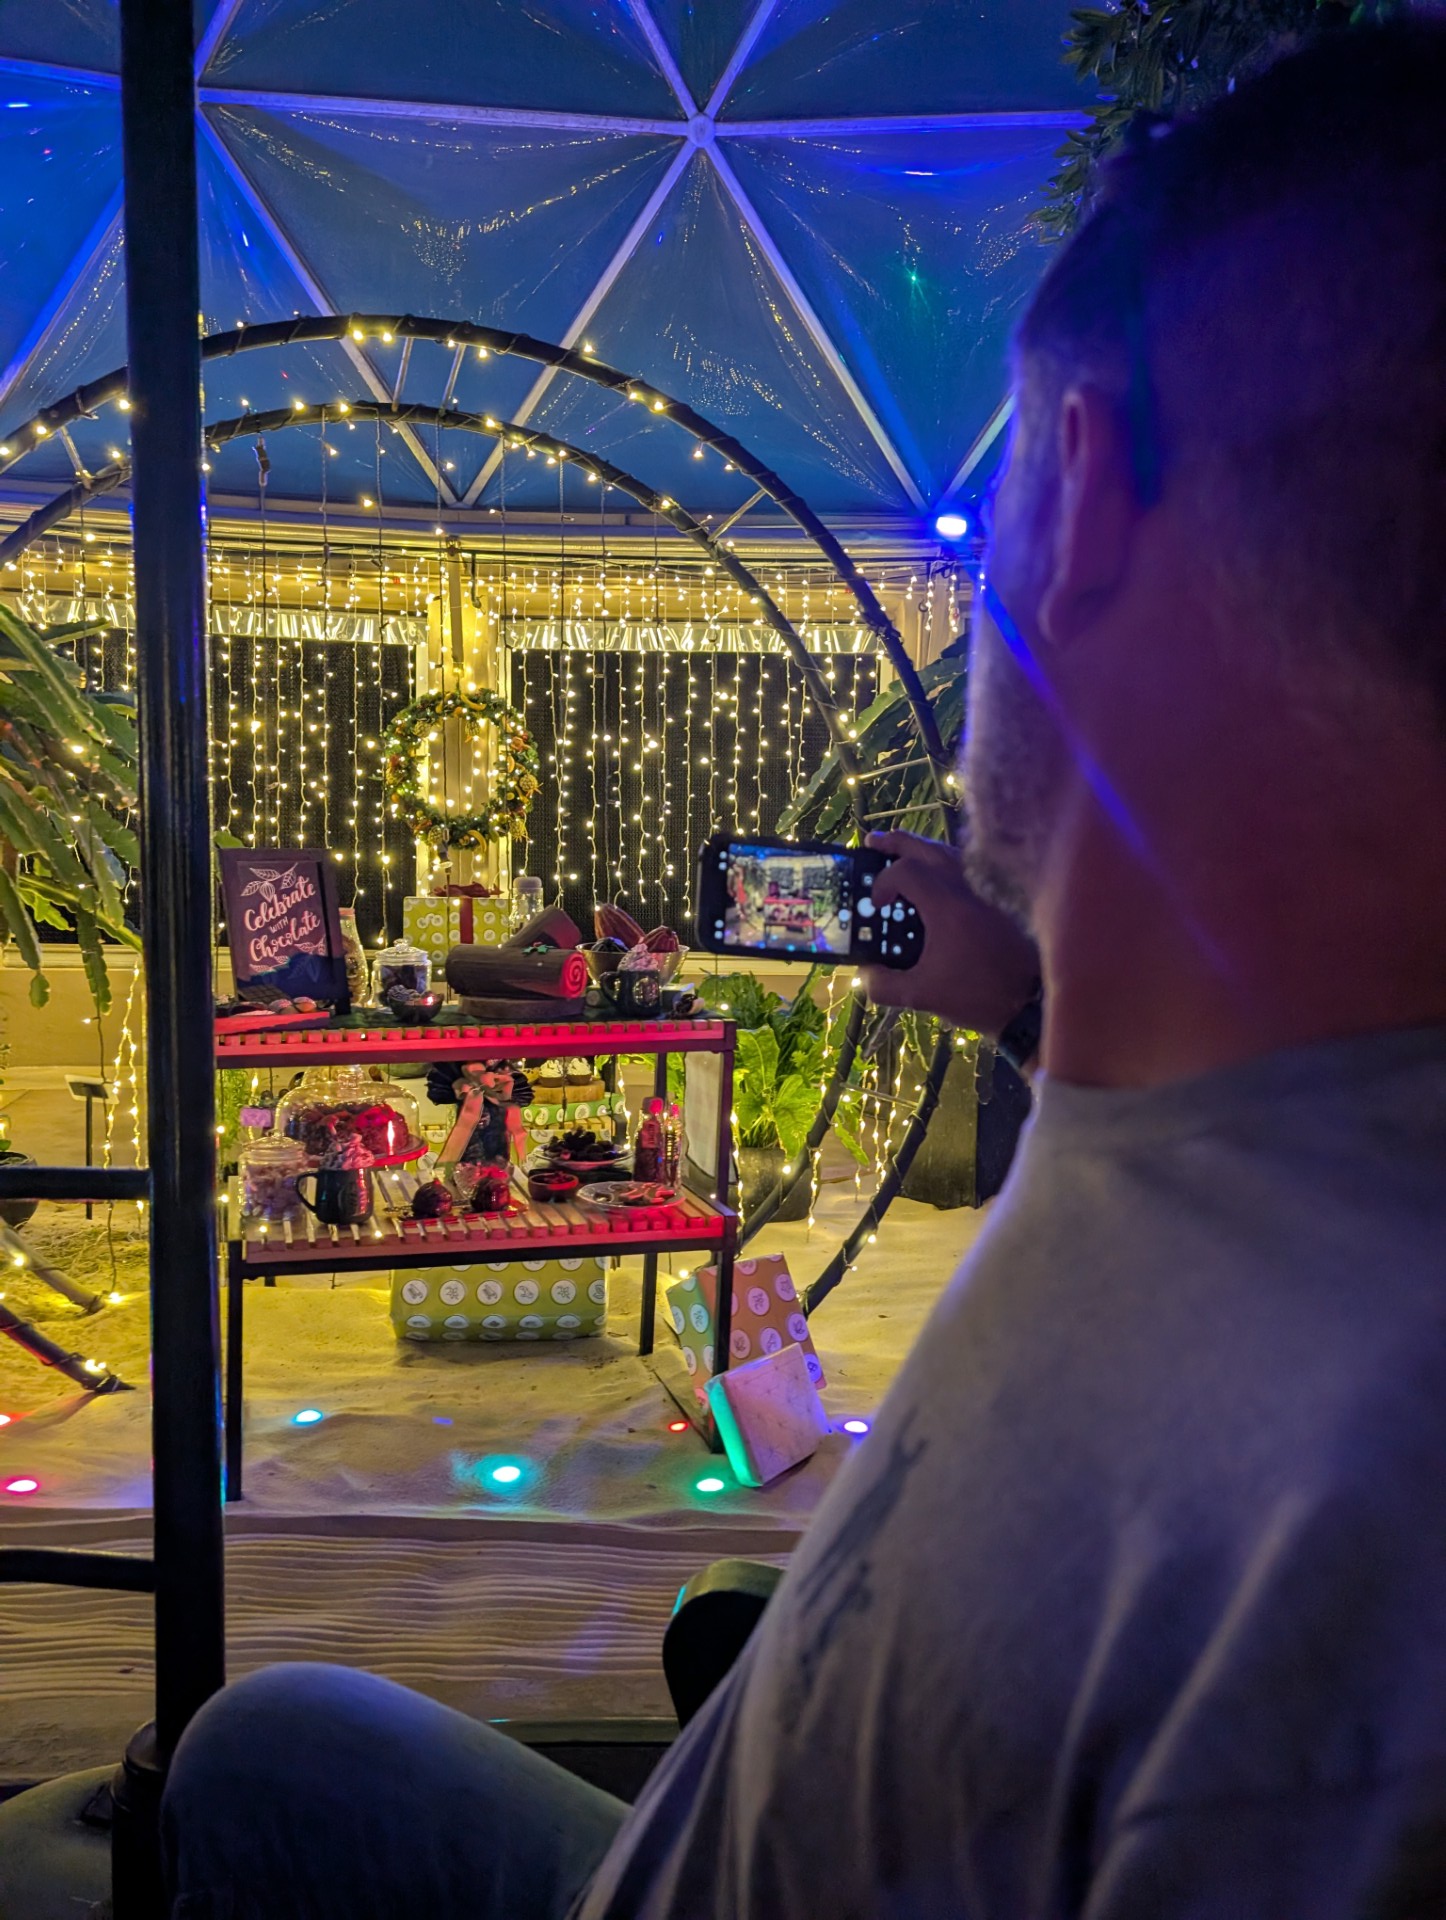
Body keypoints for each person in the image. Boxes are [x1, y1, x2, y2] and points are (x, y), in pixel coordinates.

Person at [165, 20, 1446, 1917]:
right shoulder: (1262, 1124)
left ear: (1081, 490)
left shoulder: (1347, 1543)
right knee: (323, 1734)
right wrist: (1025, 996)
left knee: (257, 1757)